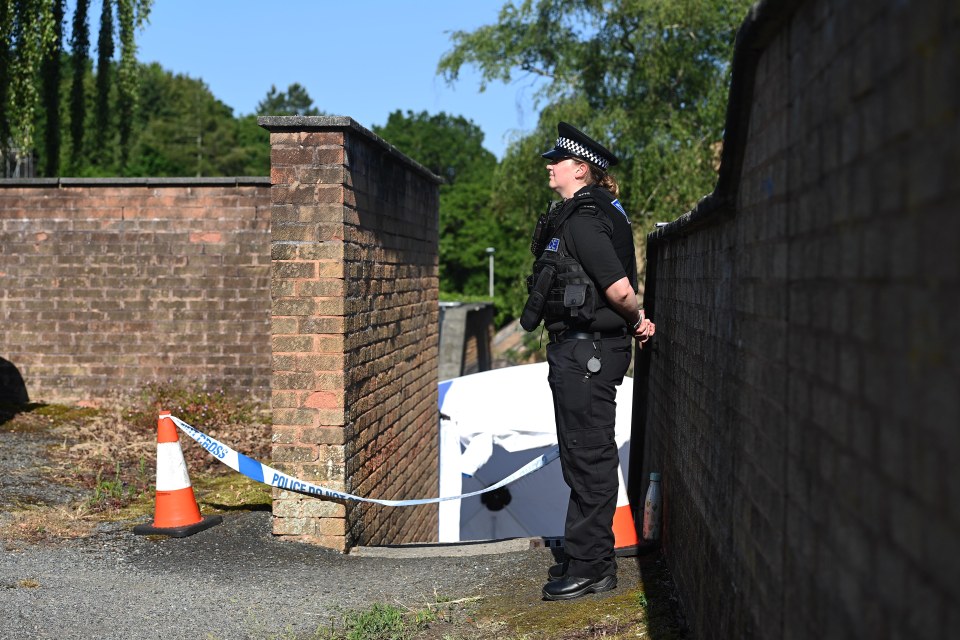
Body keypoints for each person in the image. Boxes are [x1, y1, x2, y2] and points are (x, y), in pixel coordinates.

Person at [522, 122, 655, 601]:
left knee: (590, 458)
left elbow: (618, 288)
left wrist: (638, 318)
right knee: (581, 458)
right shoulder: (583, 213)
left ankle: (596, 567)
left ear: (580, 169)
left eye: (555, 161)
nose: (548, 167)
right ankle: (582, 557)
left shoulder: (584, 218)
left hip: (589, 353)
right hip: (582, 351)